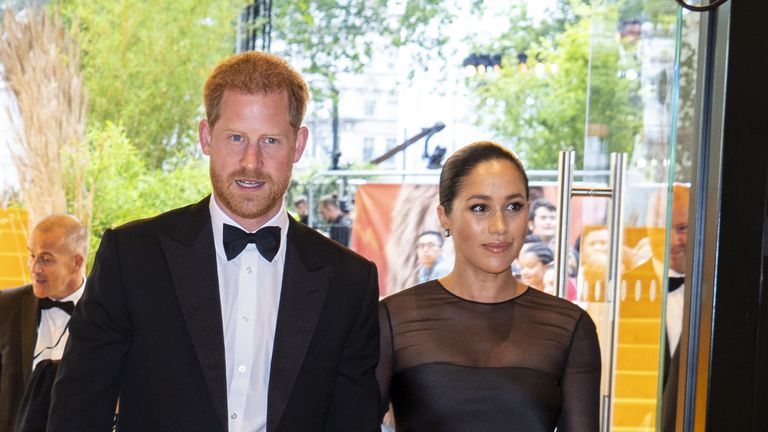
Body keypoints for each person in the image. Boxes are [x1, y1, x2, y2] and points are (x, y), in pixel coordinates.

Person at [48, 52, 381, 432]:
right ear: (207, 137)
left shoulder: (349, 280)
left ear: (299, 144)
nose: (251, 161)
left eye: (270, 141)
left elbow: (354, 422)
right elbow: (79, 405)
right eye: (236, 137)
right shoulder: (133, 257)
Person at [377, 141, 601, 431]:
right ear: (445, 216)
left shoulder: (570, 327)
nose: (499, 226)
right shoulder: (394, 319)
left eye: (513, 206)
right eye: (480, 208)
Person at [0, 214, 87, 432]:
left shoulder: (107, 313)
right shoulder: (5, 306)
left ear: (76, 263)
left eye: (46, 259)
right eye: (32, 255)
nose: (35, 267)